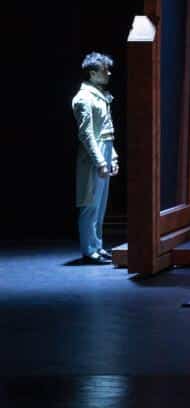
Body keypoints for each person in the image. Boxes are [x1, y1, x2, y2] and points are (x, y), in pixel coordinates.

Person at [72, 52, 118, 264]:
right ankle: (89, 250)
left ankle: (97, 245)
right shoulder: (84, 98)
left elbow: (107, 131)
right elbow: (87, 133)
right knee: (90, 204)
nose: (108, 73)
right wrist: (100, 161)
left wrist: (113, 157)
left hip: (105, 148)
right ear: (92, 73)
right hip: (94, 153)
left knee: (100, 205)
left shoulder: (99, 95)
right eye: (104, 70)